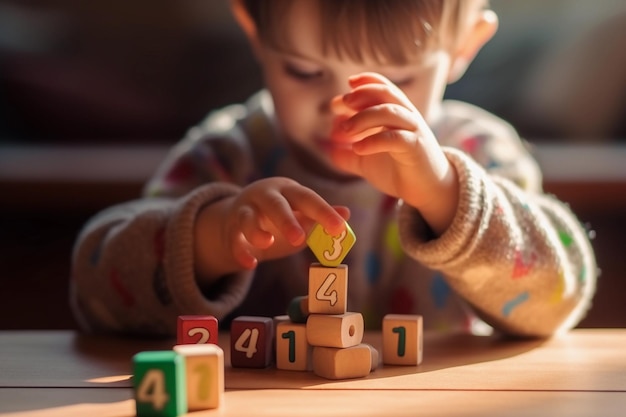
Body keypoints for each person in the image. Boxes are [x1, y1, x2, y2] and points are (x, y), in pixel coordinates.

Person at [70, 0, 596, 338]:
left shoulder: (477, 151)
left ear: (464, 48)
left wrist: (444, 195)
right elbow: (96, 293)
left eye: (396, 81)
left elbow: (556, 300)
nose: (342, 107)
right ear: (253, 29)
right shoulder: (228, 155)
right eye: (304, 71)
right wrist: (213, 237)